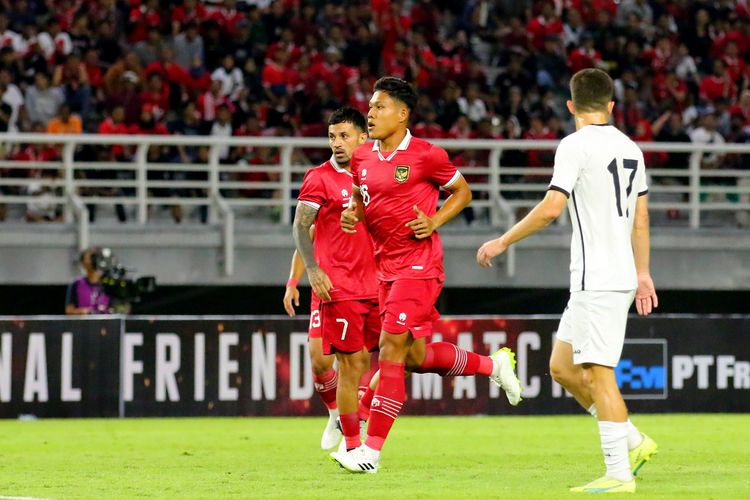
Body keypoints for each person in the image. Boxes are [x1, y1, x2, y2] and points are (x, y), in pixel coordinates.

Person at [476, 68, 659, 494]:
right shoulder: (631, 147)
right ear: (612, 106)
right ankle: (632, 440)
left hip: (600, 279)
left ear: (571, 106)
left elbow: (551, 208)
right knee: (561, 367)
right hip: (603, 278)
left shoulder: (574, 145)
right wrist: (644, 272)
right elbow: (641, 217)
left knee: (599, 374)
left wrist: (503, 241)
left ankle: (619, 474)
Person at [332, 77, 522, 474]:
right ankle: (493, 366)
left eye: (379, 107)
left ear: (402, 115)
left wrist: (434, 220)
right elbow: (360, 201)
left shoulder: (426, 155)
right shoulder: (363, 157)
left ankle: (371, 450)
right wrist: (353, 214)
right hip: (386, 268)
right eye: (369, 106)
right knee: (415, 357)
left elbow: (463, 192)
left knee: (389, 348)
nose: (370, 113)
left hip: (419, 267)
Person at [284, 107, 379, 451]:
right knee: (323, 361)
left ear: (362, 137)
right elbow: (301, 229)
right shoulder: (319, 177)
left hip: (376, 283)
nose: (336, 143)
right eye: (331, 136)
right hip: (332, 285)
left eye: (343, 136)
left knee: (398, 355)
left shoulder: (375, 174)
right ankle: (338, 417)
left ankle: (354, 420)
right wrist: (304, 275)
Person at [65, 247, 112, 315]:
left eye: (94, 257)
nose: (92, 261)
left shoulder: (108, 282)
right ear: (82, 263)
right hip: (85, 324)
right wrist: (83, 311)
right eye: (90, 258)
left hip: (105, 324)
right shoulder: (77, 284)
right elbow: (69, 310)